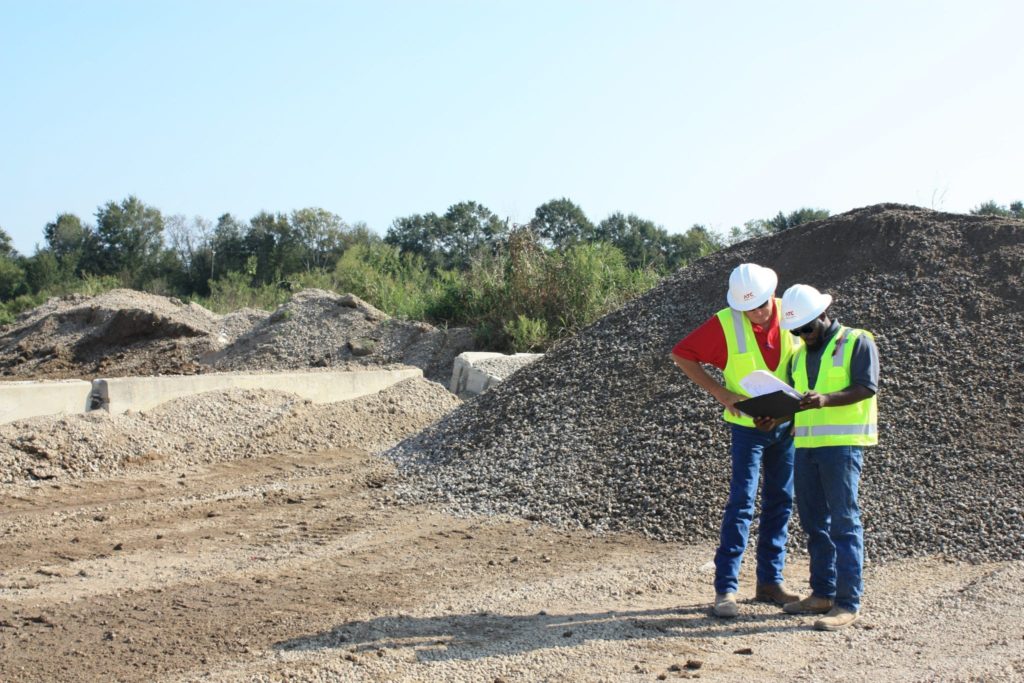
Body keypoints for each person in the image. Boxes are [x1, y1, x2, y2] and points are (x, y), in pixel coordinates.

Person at [671, 263, 801, 618]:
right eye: (749, 309)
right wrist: (721, 393)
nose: (757, 314)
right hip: (747, 429)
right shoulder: (726, 322)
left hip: (787, 426)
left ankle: (770, 582)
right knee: (742, 504)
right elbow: (681, 354)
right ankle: (725, 589)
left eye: (761, 305)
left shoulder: (792, 314)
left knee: (781, 502)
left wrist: (796, 414)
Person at [775, 284, 879, 631]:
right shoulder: (799, 354)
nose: (802, 335)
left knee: (844, 524)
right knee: (814, 522)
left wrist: (825, 400)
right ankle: (822, 593)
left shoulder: (857, 341)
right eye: (796, 331)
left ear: (823, 315)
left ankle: (848, 603)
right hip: (806, 446)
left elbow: (866, 387)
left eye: (807, 328)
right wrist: (773, 414)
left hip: (843, 446)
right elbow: (795, 398)